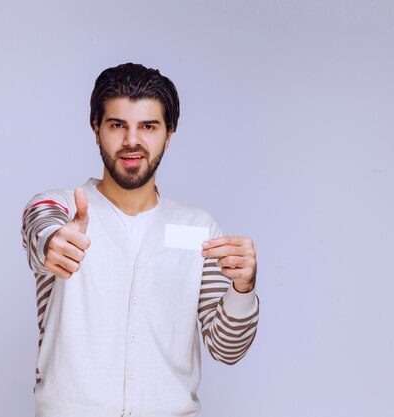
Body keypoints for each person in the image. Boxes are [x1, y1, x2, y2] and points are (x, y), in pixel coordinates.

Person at [21, 63, 259, 417]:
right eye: (118, 125)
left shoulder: (199, 228)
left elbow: (227, 349)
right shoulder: (62, 208)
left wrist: (243, 289)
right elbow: (40, 225)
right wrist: (54, 241)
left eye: (148, 126)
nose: (132, 140)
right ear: (96, 129)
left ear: (169, 133)